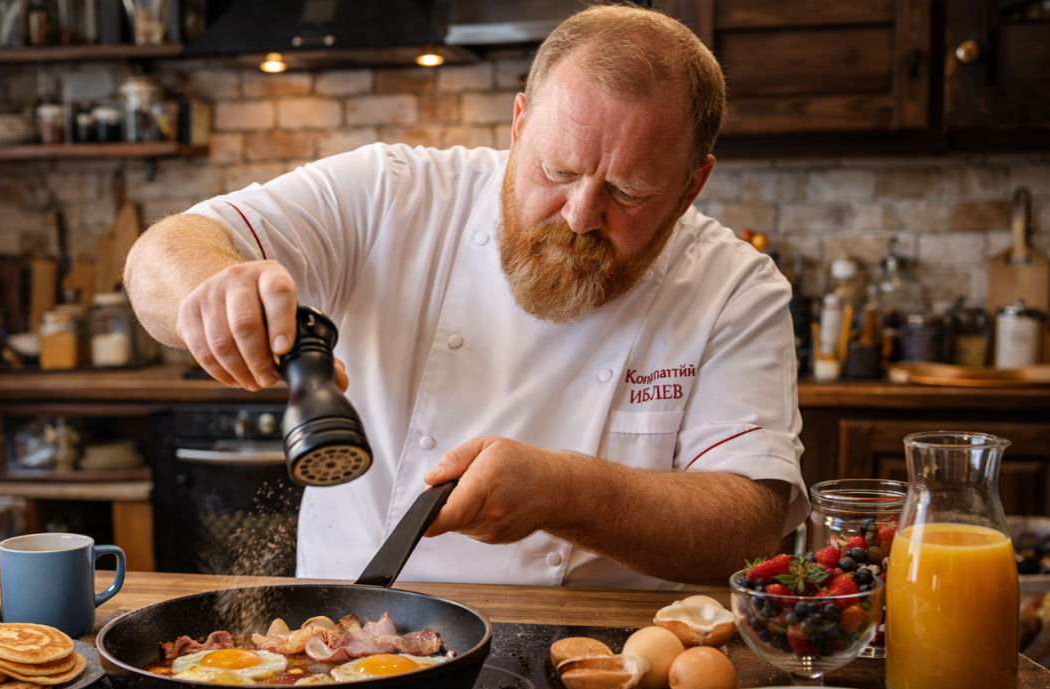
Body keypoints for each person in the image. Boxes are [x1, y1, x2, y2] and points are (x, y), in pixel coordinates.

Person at [124, 5, 809, 589]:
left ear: (691, 186)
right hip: (343, 636)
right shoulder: (390, 193)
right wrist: (213, 288)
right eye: (558, 170)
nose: (579, 215)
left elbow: (747, 529)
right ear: (518, 124)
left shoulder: (733, 287)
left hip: (593, 656)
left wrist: (565, 493)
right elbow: (163, 253)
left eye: (628, 192)